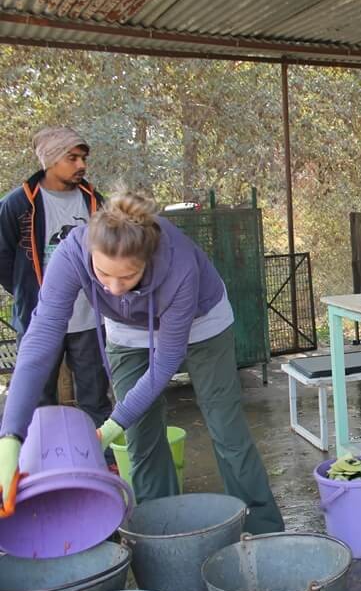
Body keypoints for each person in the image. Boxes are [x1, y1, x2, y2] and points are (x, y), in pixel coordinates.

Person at [0, 192, 284, 533]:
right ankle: (162, 534)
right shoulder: (72, 252)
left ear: (147, 260)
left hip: (201, 323)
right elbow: (39, 341)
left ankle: (264, 528)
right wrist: (10, 436)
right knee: (141, 436)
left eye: (128, 276)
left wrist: (110, 425)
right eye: (103, 274)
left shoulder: (178, 266)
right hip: (125, 330)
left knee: (226, 428)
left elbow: (165, 364)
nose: (115, 288)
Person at [0, 127, 111, 449]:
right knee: (39, 401)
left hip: (88, 320)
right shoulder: (17, 204)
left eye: (83, 158)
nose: (81, 165)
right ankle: (43, 467)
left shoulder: (94, 202)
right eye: (72, 158)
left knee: (95, 400)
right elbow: (4, 259)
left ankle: (100, 464)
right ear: (50, 160)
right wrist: (29, 292)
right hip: (39, 319)